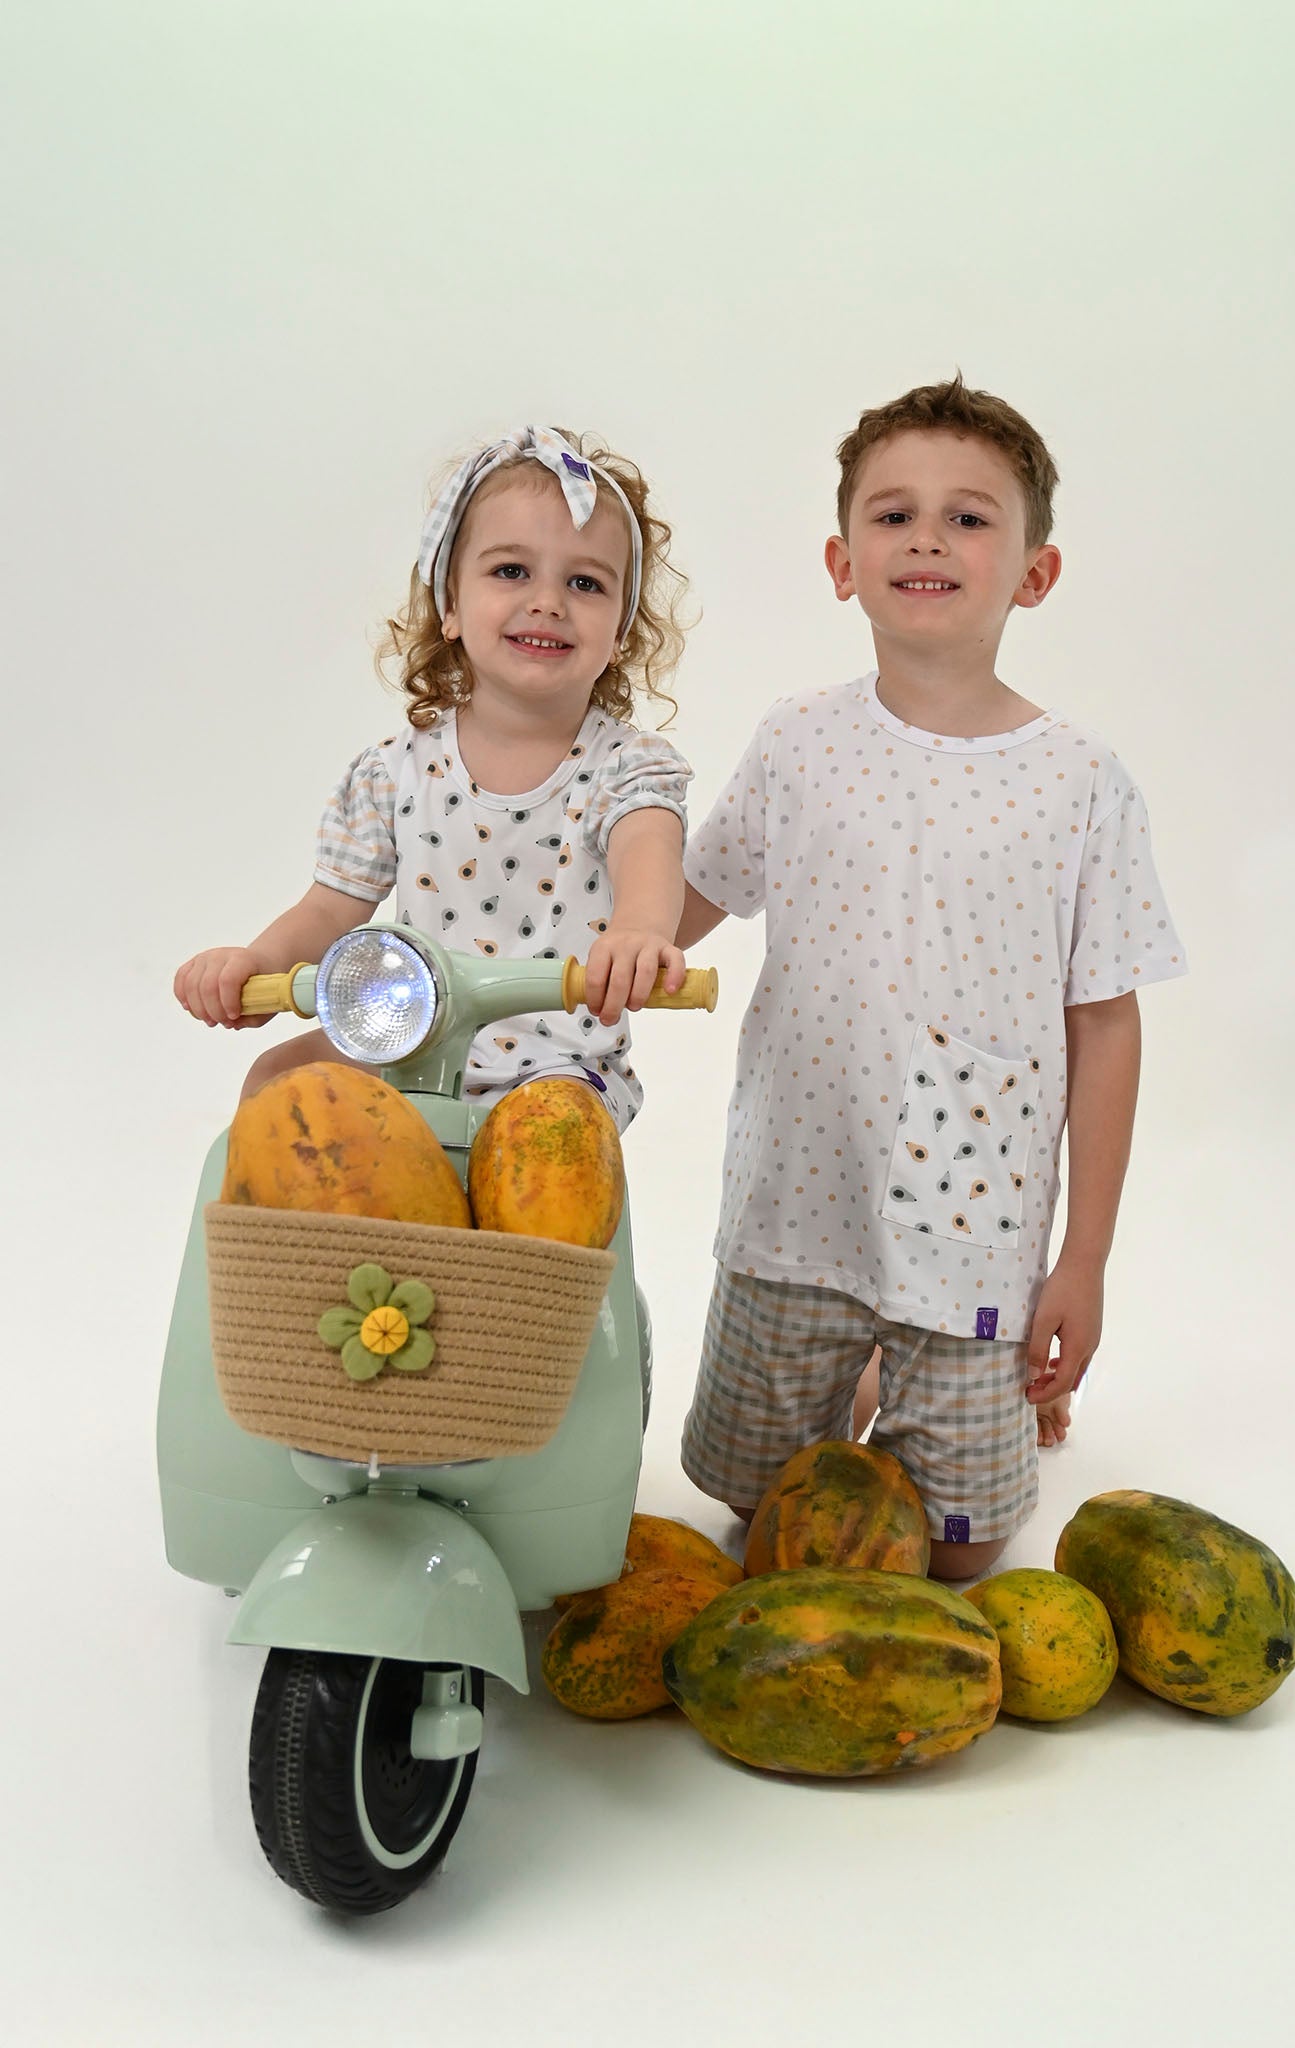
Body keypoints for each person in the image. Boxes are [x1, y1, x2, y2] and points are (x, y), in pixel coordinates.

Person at [676, 376, 1186, 1580]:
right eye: (894, 513)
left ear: (1034, 573)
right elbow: (683, 906)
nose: (927, 538)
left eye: (968, 517)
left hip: (974, 1219)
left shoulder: (1081, 779)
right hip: (799, 1199)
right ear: (841, 561)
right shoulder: (796, 739)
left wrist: (1083, 1258)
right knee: (755, 1510)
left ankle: (945, 1384)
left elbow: (1107, 1024)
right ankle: (862, 1367)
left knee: (958, 1555)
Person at [174, 425, 693, 1123]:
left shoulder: (628, 771)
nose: (548, 600)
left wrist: (638, 933)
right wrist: (256, 962)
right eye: (511, 571)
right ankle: (310, 1203)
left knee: (555, 1135)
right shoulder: (395, 773)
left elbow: (648, 855)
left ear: (621, 631)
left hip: (559, 1065)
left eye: (585, 582)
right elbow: (328, 910)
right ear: (450, 604)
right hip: (410, 1042)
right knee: (279, 1080)